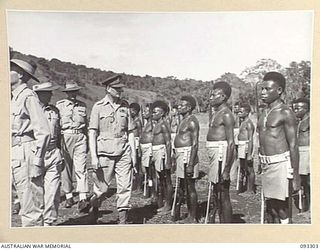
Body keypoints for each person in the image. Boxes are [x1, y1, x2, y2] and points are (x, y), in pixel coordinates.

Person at [88, 74, 137, 224]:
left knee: (124, 186)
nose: (119, 91)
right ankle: (93, 208)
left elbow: (130, 132)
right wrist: (94, 157)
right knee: (102, 188)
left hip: (123, 152)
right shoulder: (98, 107)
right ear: (108, 89)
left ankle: (123, 219)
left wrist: (133, 155)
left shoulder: (125, 106)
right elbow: (92, 132)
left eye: (120, 89)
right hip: (104, 152)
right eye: (116, 89)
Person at [10, 59, 51, 227]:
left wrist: (37, 161)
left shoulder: (28, 96)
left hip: (26, 153)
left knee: (31, 209)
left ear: (20, 74)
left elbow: (43, 131)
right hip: (14, 151)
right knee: (21, 200)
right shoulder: (12, 97)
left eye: (9, 70)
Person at [258, 72, 300, 224]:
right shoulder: (263, 112)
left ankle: (287, 236)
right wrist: (259, 161)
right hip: (266, 164)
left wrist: (296, 176)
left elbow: (294, 144)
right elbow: (262, 140)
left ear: (279, 90)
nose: (263, 92)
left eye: (267, 89)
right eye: (262, 89)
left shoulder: (286, 112)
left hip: (280, 164)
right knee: (271, 207)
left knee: (282, 208)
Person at [33, 82, 64, 226]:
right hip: (35, 154)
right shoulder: (29, 111)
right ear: (40, 94)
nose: (51, 95)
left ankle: (49, 224)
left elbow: (59, 135)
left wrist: (60, 153)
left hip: (53, 154)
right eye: (48, 92)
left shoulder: (54, 111)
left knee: (53, 193)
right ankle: (36, 225)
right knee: (36, 193)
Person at [56, 82, 90, 212]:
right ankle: (69, 195)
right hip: (65, 137)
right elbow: (57, 125)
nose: (73, 94)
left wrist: (86, 141)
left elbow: (85, 125)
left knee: (81, 168)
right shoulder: (60, 105)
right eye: (70, 92)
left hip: (80, 137)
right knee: (66, 168)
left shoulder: (83, 106)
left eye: (75, 91)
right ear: (66, 93)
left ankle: (82, 197)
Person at [206, 81, 235, 223]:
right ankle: (219, 220)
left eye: (213, 95)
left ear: (223, 97)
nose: (210, 98)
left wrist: (227, 169)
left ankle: (227, 227)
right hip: (215, 154)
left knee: (223, 193)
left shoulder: (227, 115)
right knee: (216, 190)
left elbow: (231, 143)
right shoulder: (216, 113)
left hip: (221, 154)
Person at [172, 95, 199, 223]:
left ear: (189, 108)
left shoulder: (192, 121)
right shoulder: (183, 120)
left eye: (182, 105)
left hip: (188, 155)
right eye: (179, 105)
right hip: (180, 155)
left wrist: (190, 164)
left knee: (190, 186)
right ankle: (183, 213)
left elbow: (195, 143)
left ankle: (192, 217)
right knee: (183, 186)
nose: (179, 107)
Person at [151, 100, 173, 214]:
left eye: (155, 112)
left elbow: (168, 142)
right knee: (162, 179)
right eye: (152, 112)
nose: (152, 114)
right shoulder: (157, 125)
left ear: (162, 113)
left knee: (167, 179)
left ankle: (168, 205)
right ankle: (165, 203)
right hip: (156, 152)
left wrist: (169, 160)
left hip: (162, 152)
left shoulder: (164, 124)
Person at [292, 97, 310, 212]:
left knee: (309, 181)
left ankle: (309, 209)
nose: (295, 111)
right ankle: (305, 206)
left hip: (308, 153)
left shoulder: (311, 121)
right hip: (300, 153)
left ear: (306, 108)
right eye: (294, 109)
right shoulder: (299, 122)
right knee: (302, 180)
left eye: (298, 108)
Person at [237, 103, 255, 195]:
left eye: (241, 112)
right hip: (241, 146)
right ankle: (244, 187)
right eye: (238, 111)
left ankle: (250, 190)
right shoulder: (242, 122)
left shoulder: (249, 124)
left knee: (249, 168)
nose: (239, 113)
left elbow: (251, 139)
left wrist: (249, 154)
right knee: (243, 168)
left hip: (246, 146)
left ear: (247, 112)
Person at [140, 103, 155, 198]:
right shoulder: (146, 124)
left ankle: (152, 191)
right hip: (144, 148)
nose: (143, 113)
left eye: (146, 111)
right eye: (143, 111)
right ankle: (148, 189)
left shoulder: (153, 124)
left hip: (149, 148)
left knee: (150, 171)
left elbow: (155, 137)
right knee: (146, 170)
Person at [129, 102, 143, 192]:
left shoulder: (137, 121)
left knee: (137, 164)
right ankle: (133, 183)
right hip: (132, 141)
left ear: (135, 111)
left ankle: (138, 184)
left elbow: (141, 133)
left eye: (131, 111)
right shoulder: (132, 120)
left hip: (137, 142)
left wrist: (139, 148)